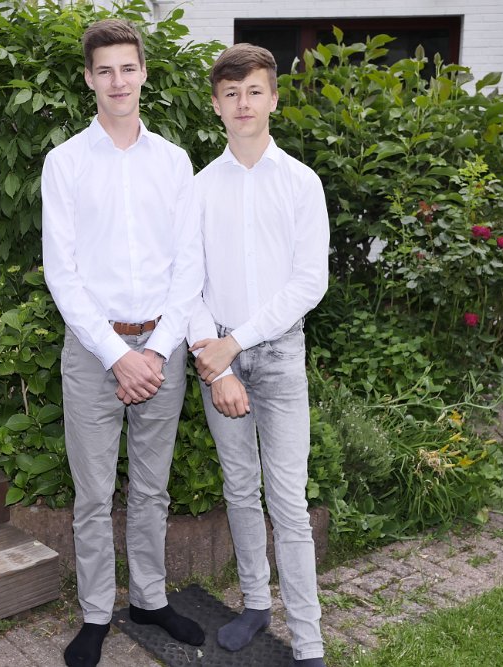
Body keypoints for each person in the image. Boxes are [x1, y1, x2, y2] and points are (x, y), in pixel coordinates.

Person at [41, 18, 205, 667]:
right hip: (93, 352)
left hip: (163, 347)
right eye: (104, 70)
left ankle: (149, 599)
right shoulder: (65, 163)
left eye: (127, 68)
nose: (117, 81)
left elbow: (189, 266)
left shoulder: (173, 162)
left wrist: (157, 351)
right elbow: (62, 272)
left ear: (143, 74)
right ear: (89, 78)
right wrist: (117, 355)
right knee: (91, 493)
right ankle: (94, 614)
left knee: (152, 489)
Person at [187, 43, 330, 667]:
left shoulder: (301, 183)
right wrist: (217, 362)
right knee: (240, 489)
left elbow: (309, 282)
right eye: (231, 93)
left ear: (273, 98)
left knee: (288, 500)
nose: (242, 103)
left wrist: (235, 344)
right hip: (216, 357)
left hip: (277, 356)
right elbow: (186, 284)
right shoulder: (197, 188)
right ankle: (253, 605)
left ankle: (309, 642)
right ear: (216, 104)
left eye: (253, 92)